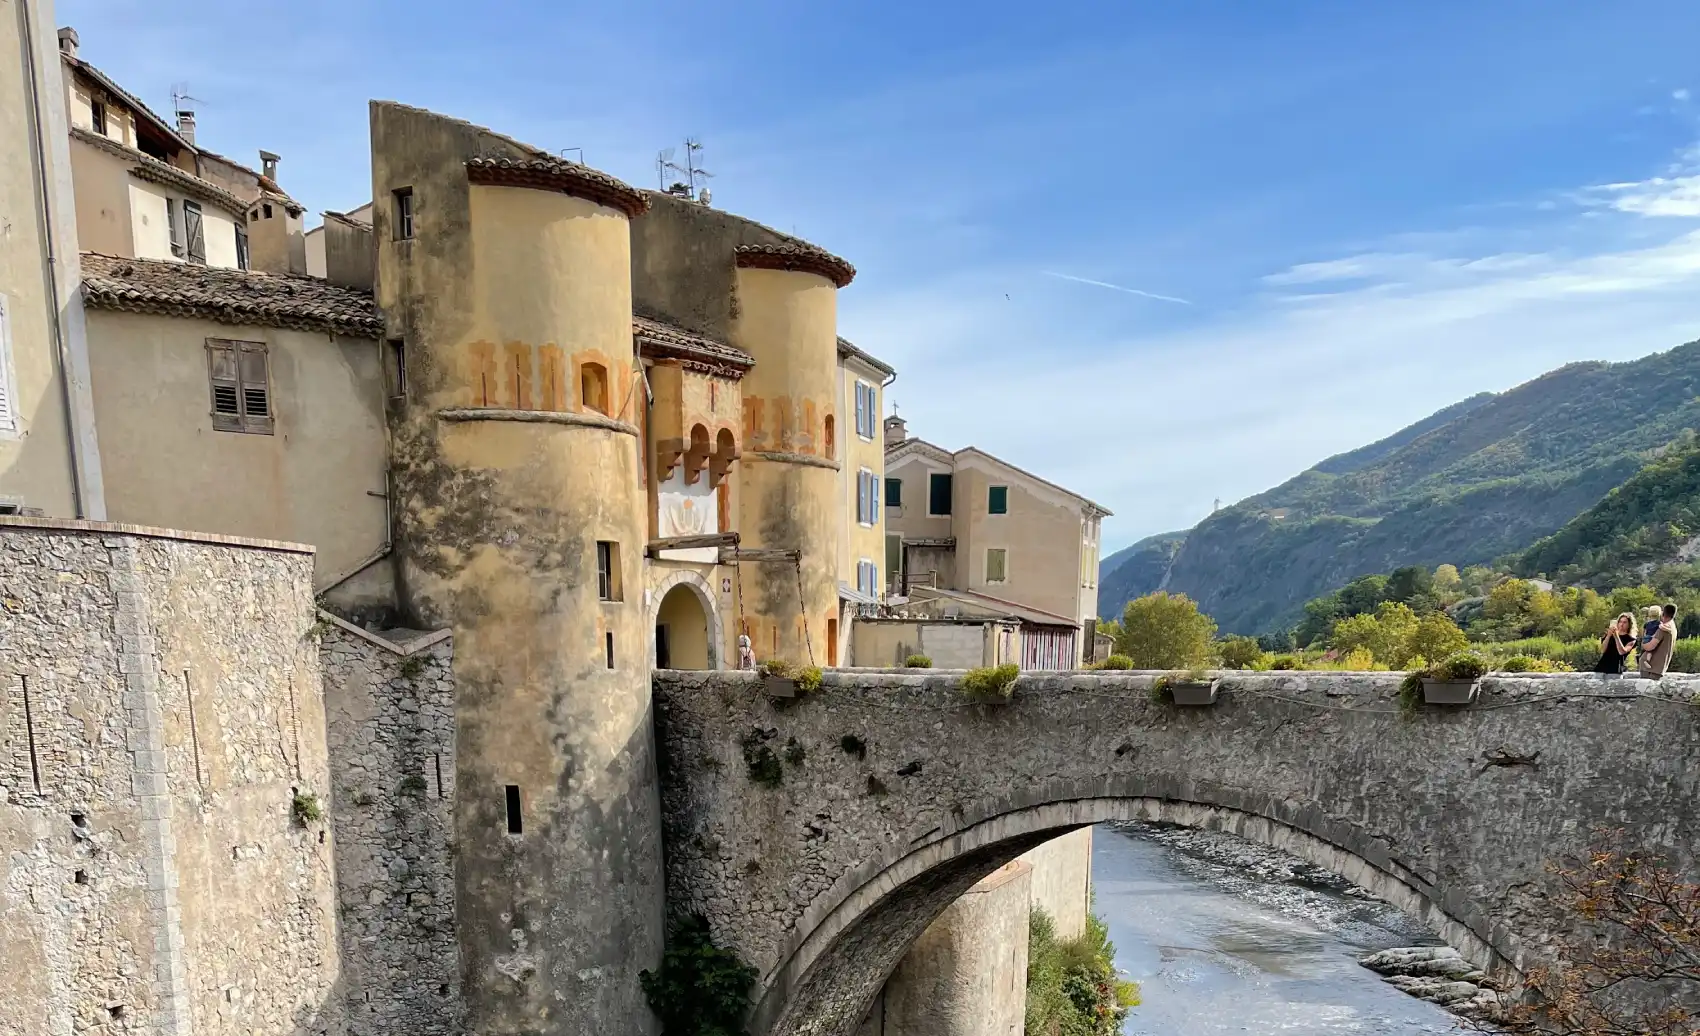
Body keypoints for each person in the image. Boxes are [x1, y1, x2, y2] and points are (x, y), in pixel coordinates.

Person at [1637, 603, 1678, 679]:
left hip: (1651, 668)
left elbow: (1649, 647)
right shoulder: (1672, 627)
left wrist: (1642, 643)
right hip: (1659, 667)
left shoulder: (1663, 628)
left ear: (1663, 613)